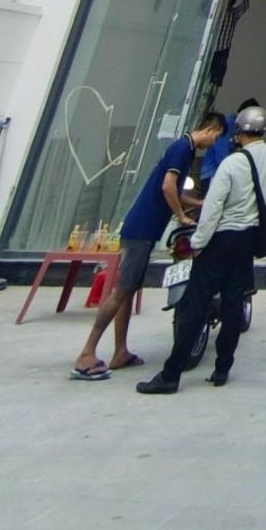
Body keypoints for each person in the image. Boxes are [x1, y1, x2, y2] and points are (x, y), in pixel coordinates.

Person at [70, 111, 225, 380]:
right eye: (217, 138)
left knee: (129, 291)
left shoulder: (185, 150)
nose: (214, 144)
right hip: (140, 230)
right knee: (120, 291)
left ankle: (120, 351)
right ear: (211, 130)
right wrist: (181, 216)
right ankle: (87, 353)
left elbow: (174, 191)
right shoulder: (182, 148)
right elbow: (168, 187)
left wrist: (200, 204)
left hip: (144, 231)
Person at [138, 105, 266, 394]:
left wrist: (198, 243)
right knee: (233, 303)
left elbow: (213, 207)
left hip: (222, 239)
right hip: (247, 240)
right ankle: (222, 368)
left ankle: (171, 374)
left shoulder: (232, 163)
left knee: (194, 305)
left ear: (239, 132)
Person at [200, 97, 261, 190]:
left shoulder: (240, 128)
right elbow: (221, 156)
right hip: (213, 174)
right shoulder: (227, 126)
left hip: (227, 175)